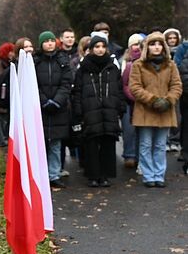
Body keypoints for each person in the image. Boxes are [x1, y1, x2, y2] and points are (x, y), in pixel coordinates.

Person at [128, 31, 182, 187]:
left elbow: (176, 86)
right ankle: (148, 175)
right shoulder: (138, 64)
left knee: (159, 145)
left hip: (165, 110)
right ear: (147, 47)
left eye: (159, 44)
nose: (156, 47)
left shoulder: (171, 65)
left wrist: (168, 100)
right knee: (145, 144)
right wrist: (152, 100)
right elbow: (135, 87)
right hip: (145, 111)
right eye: (153, 44)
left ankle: (159, 175)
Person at [71, 35, 125, 187]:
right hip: (90, 110)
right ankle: (93, 175)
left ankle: (105, 175)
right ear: (91, 49)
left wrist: (120, 106)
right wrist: (79, 110)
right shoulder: (83, 68)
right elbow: (78, 91)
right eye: (97, 47)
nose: (100, 50)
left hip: (109, 109)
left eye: (103, 46)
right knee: (92, 143)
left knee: (107, 142)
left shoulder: (112, 67)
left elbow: (119, 88)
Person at [34, 31, 73, 188]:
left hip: (58, 108)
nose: (49, 43)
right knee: (41, 144)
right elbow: (33, 83)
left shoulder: (62, 60)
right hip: (41, 109)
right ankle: (40, 175)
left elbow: (66, 83)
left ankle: (54, 174)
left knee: (56, 144)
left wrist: (57, 101)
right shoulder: (35, 61)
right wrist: (43, 101)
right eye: (46, 41)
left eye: (52, 40)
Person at [121, 34, 145, 169]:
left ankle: (140, 157)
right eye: (134, 44)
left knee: (142, 132)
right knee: (129, 130)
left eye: (139, 44)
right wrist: (132, 96)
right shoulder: (125, 63)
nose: (136, 47)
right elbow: (124, 83)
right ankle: (129, 155)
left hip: (143, 101)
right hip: (128, 101)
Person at [0, 42, 15, 149]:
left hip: (5, 95)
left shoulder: (7, 63)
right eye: (10, 51)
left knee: (3, 119)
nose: (12, 53)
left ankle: (3, 138)